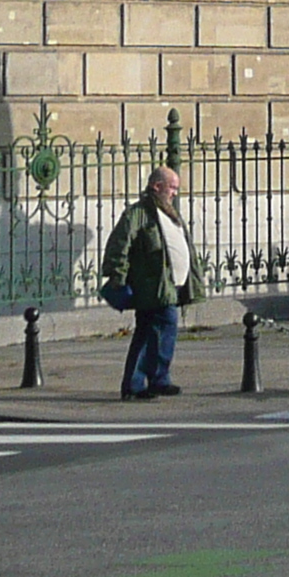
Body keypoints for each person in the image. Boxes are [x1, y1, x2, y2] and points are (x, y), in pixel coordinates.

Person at [101, 165, 201, 400]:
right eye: (172, 187)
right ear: (157, 186)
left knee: (154, 331)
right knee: (154, 330)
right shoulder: (139, 213)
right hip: (152, 285)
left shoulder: (168, 212)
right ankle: (137, 384)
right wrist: (117, 274)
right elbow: (120, 243)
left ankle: (156, 379)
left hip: (169, 285)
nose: (175, 192)